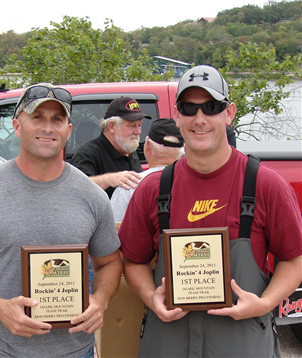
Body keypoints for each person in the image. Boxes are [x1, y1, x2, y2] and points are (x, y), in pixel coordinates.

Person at [118, 65, 302, 357]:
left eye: (211, 107)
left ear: (229, 113)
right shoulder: (154, 189)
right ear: (177, 115)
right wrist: (151, 299)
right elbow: (133, 261)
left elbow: (294, 259)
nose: (199, 118)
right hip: (168, 344)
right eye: (189, 108)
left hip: (244, 344)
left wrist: (266, 304)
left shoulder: (267, 185)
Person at [0, 83, 122, 358]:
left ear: (69, 130)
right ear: (17, 126)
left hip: (76, 352)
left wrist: (100, 301)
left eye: (57, 119)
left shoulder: (92, 197)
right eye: (37, 117)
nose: (48, 128)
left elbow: (109, 262)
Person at [70, 96, 152, 198]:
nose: (138, 132)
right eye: (132, 126)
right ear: (112, 126)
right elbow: (75, 187)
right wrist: (109, 179)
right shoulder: (88, 154)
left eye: (139, 125)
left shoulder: (128, 149)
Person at [111, 117, 184, 223]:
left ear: (147, 146)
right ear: (183, 150)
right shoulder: (195, 184)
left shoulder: (128, 187)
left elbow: (115, 233)